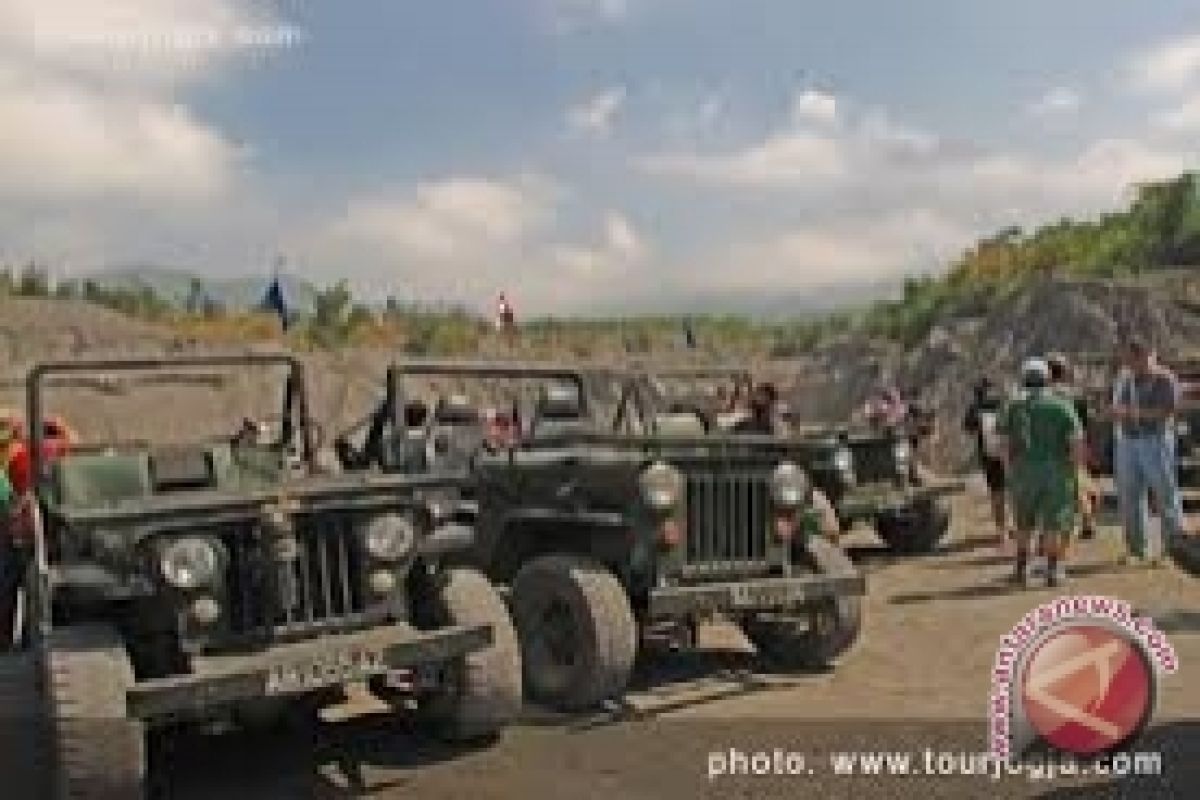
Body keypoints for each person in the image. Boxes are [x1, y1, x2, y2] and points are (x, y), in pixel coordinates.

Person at [1000, 359, 1087, 588]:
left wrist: (1010, 470)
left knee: (1023, 522)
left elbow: (1004, 443)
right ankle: (1053, 570)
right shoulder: (1061, 405)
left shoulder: (1013, 406)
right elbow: (1076, 441)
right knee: (1053, 523)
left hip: (1024, 470)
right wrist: (1074, 467)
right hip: (1055, 470)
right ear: (1047, 379)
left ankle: (1021, 570)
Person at [1111, 337, 1189, 565]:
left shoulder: (1165, 379)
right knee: (1129, 495)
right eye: (1129, 358)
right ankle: (1136, 548)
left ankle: (1173, 548)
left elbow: (1168, 411)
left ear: (1149, 355)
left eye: (1138, 357)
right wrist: (1116, 413)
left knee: (1164, 493)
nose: (1133, 363)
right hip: (1128, 441)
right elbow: (1117, 406)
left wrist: (1135, 414)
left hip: (1155, 440)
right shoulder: (1124, 380)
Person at [1046, 353, 1098, 541]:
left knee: (1062, 487)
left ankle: (1066, 525)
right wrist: (1087, 447)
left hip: (1055, 446)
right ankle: (1087, 521)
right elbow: (1085, 423)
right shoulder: (1076, 395)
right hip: (1076, 443)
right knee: (1078, 483)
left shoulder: (1046, 396)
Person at [964, 377, 1010, 542]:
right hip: (1010, 453)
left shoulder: (975, 408)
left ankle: (1001, 531)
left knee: (997, 492)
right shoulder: (1003, 404)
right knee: (1013, 491)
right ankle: (1015, 528)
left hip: (988, 455)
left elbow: (969, 429)